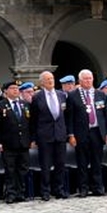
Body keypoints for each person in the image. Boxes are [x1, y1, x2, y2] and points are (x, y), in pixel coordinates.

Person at [66, 69, 107, 197]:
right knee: (82, 162)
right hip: (81, 133)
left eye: (90, 78)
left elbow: (106, 116)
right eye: (85, 78)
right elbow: (70, 117)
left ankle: (98, 187)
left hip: (97, 132)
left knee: (97, 161)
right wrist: (71, 134)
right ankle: (83, 188)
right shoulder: (73, 95)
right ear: (80, 81)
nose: (88, 81)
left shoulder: (100, 94)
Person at [29, 71, 69, 201]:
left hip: (60, 134)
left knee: (60, 164)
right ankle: (45, 191)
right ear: (41, 82)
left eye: (52, 78)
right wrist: (34, 137)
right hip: (44, 135)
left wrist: (67, 133)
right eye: (47, 79)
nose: (51, 81)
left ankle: (59, 189)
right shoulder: (37, 97)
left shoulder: (61, 95)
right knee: (45, 165)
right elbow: (33, 120)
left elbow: (66, 116)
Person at [0, 81, 32, 203]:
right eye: (12, 88)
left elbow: (29, 124)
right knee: (10, 169)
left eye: (17, 88)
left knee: (22, 169)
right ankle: (10, 193)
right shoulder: (0, 106)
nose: (16, 90)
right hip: (8, 143)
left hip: (23, 143)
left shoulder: (24, 104)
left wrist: (31, 139)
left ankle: (21, 192)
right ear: (6, 91)